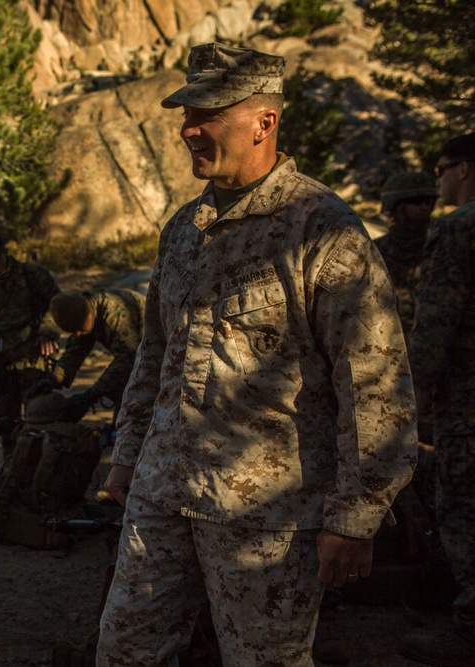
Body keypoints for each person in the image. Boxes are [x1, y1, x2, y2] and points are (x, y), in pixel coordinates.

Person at [96, 43, 417, 666]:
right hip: (162, 492)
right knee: (125, 651)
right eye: (186, 113)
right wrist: (127, 456)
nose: (189, 128)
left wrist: (356, 515)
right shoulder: (183, 228)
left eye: (208, 113)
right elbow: (154, 355)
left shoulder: (322, 229)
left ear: (264, 122)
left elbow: (376, 383)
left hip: (267, 515)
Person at [399, 133, 475, 666]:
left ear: (465, 169)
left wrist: (413, 393)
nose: (438, 182)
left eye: (443, 169)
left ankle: (469, 630)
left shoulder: (456, 230)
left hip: (466, 397)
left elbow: (435, 327)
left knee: (463, 506)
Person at [0, 231, 60, 456]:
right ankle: (12, 467)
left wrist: (47, 331)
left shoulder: (33, 275)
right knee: (7, 421)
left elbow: (57, 304)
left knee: (39, 416)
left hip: (34, 354)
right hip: (4, 358)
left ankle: (41, 468)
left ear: (5, 253)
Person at [41, 288, 145, 423]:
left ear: (89, 316)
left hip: (164, 353)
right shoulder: (84, 311)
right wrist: (54, 378)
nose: (78, 334)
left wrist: (91, 395)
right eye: (74, 331)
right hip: (143, 356)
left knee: (127, 416)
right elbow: (75, 352)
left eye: (80, 329)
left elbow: (127, 360)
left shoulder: (114, 315)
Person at [373, 171, 438, 336]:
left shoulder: (439, 248)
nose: (425, 207)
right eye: (417, 201)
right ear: (396, 206)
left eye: (430, 201)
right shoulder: (374, 252)